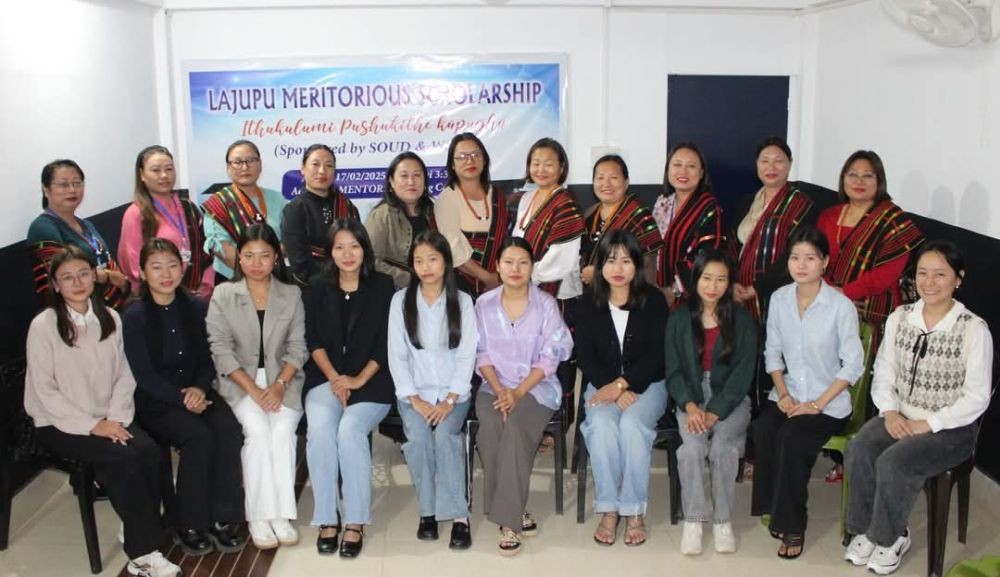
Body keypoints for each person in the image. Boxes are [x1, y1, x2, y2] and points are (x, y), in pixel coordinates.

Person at [24, 245, 182, 577]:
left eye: (83, 273)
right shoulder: (44, 325)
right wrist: (94, 425)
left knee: (149, 451)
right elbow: (45, 392)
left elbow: (124, 375)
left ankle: (135, 528)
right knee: (124, 458)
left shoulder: (109, 317)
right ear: (55, 285)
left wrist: (116, 418)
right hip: (59, 424)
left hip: (110, 417)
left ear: (94, 276)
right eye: (67, 277)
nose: (78, 282)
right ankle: (142, 554)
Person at [844, 240, 992, 575]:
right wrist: (890, 411)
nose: (929, 282)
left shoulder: (973, 329)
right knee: (860, 449)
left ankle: (890, 537)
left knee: (895, 461)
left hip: (950, 429)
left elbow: (977, 397)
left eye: (940, 274)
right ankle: (866, 529)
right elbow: (883, 371)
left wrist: (930, 423)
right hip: (901, 415)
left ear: (958, 278)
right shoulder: (900, 317)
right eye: (922, 273)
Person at [122, 238, 246, 556]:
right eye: (156, 267)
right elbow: (143, 375)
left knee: (229, 429)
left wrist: (200, 389)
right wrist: (182, 399)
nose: (166, 274)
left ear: (183, 268)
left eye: (173, 265)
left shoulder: (196, 306)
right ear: (142, 272)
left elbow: (208, 358)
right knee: (197, 436)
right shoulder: (134, 316)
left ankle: (223, 515)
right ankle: (188, 522)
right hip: (156, 401)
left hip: (198, 390)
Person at [750, 227, 864, 559]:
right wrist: (782, 393)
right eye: (795, 257)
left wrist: (817, 404)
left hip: (828, 402)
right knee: (764, 428)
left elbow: (852, 365)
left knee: (792, 437)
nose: (801, 265)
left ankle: (794, 525)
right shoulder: (780, 298)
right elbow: (772, 352)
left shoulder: (839, 306)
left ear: (825, 262)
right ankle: (775, 506)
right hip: (791, 392)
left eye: (810, 258)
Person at [816, 150, 923, 483]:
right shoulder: (829, 216)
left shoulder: (893, 221)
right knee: (833, 375)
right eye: (852, 174)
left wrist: (840, 294)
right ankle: (839, 456)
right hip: (828, 310)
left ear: (880, 181)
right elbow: (814, 257)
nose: (859, 182)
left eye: (867, 176)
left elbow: (888, 274)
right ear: (842, 179)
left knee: (869, 384)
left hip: (873, 314)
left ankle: (866, 459)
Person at [205, 223, 307, 550]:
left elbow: (298, 347)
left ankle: (281, 513)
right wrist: (254, 389)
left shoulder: (291, 294)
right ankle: (259, 517)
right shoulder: (223, 294)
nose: (256, 262)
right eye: (248, 255)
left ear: (276, 257)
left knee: (282, 434)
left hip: (283, 381)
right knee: (258, 433)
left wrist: (278, 385)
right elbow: (219, 348)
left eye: (264, 255)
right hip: (239, 382)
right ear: (239, 258)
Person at [473, 237, 573, 556]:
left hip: (536, 388)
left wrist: (517, 392)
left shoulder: (545, 304)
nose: (516, 269)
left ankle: (508, 522)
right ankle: (515, 508)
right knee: (490, 428)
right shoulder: (483, 304)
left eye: (523, 262)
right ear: (498, 267)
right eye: (509, 262)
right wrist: (501, 389)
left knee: (515, 426)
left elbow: (552, 355)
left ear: (532, 268)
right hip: (493, 386)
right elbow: (480, 353)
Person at [301, 219, 394, 558]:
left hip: (372, 380)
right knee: (322, 430)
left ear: (364, 248)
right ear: (330, 252)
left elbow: (387, 343)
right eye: (339, 247)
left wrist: (357, 380)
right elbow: (311, 339)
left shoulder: (383, 286)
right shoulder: (315, 287)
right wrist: (335, 378)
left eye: (354, 246)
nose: (347, 254)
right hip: (325, 378)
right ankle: (327, 518)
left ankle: (355, 520)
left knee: (350, 430)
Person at [576, 230, 669, 548]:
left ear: (637, 265)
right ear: (600, 264)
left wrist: (624, 384)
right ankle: (608, 507)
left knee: (632, 426)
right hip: (602, 384)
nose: (618, 268)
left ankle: (633, 510)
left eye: (626, 260)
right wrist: (612, 386)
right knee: (600, 426)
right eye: (611, 260)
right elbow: (584, 355)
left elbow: (659, 355)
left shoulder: (653, 300)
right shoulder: (588, 301)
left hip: (647, 385)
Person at [387, 230, 477, 550]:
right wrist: (415, 399)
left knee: (445, 437)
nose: (425, 266)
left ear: (446, 262)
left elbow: (467, 354)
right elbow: (396, 355)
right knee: (419, 439)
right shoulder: (400, 301)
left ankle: (458, 516)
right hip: (414, 395)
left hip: (454, 395)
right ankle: (428, 512)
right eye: (418, 260)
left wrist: (451, 399)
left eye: (432, 259)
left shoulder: (463, 301)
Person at [666, 249, 756, 555]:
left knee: (722, 448)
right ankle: (693, 519)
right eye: (707, 278)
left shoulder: (742, 321)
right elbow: (674, 371)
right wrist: (691, 406)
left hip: (730, 398)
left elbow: (743, 375)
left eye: (721, 280)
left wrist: (714, 412)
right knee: (691, 447)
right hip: (690, 395)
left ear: (730, 283)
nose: (713, 286)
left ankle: (722, 520)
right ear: (695, 280)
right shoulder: (679, 319)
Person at [731, 136, 817, 322]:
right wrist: (732, 282)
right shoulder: (746, 203)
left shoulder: (801, 206)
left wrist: (758, 287)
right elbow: (732, 246)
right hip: (739, 294)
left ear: (790, 164)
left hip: (780, 294)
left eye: (779, 161)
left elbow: (795, 254)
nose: (771, 167)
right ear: (757, 164)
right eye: (765, 161)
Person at [27, 159, 129, 309]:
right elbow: (64, 275)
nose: (72, 190)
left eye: (77, 183)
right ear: (46, 189)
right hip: (74, 316)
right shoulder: (42, 228)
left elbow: (106, 259)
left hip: (112, 309)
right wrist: (108, 276)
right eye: (63, 184)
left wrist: (119, 280)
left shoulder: (86, 224)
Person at [118, 145, 215, 297]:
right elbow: (134, 266)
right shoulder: (136, 213)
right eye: (156, 170)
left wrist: (206, 286)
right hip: (158, 298)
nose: (164, 175)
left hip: (197, 296)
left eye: (169, 169)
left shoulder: (188, 207)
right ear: (142, 175)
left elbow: (206, 251)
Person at [433, 133, 507, 297]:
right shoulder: (447, 198)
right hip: (462, 287)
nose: (470, 161)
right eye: (462, 157)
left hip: (501, 282)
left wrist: (500, 277)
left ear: (485, 159)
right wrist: (487, 278)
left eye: (475, 155)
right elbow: (452, 249)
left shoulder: (497, 195)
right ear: (452, 164)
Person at [512, 138, 586, 299]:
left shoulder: (566, 204)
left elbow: (563, 260)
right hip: (525, 286)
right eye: (536, 163)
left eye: (548, 164)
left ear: (561, 168)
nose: (541, 169)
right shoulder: (526, 198)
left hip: (558, 293)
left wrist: (527, 273)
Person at [652, 143, 724, 307]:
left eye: (691, 166)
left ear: (701, 173)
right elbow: (651, 248)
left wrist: (674, 290)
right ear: (668, 169)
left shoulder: (710, 208)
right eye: (677, 165)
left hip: (692, 295)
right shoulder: (662, 203)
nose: (683, 171)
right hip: (657, 292)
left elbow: (708, 257)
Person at [202, 139, 286, 280]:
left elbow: (289, 239)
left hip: (274, 279)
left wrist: (269, 266)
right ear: (228, 168)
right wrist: (257, 272)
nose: (245, 167)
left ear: (260, 165)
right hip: (232, 280)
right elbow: (222, 247)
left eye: (251, 160)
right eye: (237, 162)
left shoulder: (278, 199)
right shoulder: (218, 204)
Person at [281, 144, 360, 286]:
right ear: (303, 169)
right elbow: (300, 264)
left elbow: (360, 248)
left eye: (329, 166)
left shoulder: (347, 206)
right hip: (312, 288)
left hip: (350, 283)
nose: (322, 171)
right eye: (315, 164)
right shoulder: (295, 210)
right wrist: (336, 280)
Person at [580, 155, 662, 287]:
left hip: (630, 294)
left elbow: (645, 264)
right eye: (600, 178)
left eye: (613, 178)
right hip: (593, 295)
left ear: (626, 182)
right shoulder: (589, 213)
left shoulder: (639, 216)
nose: (606, 184)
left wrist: (599, 274)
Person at [365, 151, 437, 289]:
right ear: (391, 181)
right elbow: (370, 260)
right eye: (404, 176)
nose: (411, 181)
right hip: (392, 292)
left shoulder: (434, 212)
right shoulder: (381, 215)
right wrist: (409, 279)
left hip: (433, 289)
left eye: (417, 175)